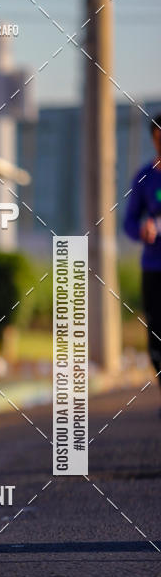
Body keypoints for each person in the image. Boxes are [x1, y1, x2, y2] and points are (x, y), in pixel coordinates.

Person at [123, 112, 161, 401]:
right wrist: (142, 231)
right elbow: (128, 222)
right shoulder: (145, 177)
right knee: (156, 338)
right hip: (154, 267)